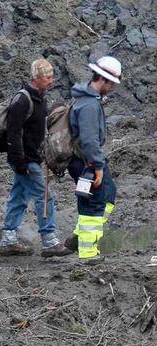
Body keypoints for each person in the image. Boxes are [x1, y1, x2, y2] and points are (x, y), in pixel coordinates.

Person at [0, 58, 72, 258]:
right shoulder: (22, 100)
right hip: (25, 159)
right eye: (47, 77)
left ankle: (9, 239)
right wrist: (20, 162)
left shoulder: (39, 97)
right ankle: (49, 241)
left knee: (19, 196)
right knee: (45, 196)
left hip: (32, 158)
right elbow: (13, 134)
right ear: (36, 78)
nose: (51, 80)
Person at [66, 56, 122, 265]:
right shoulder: (89, 105)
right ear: (104, 80)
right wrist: (97, 166)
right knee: (94, 202)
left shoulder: (86, 98)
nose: (113, 88)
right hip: (85, 161)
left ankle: (79, 237)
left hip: (85, 159)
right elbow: (89, 140)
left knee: (108, 193)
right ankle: (88, 254)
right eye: (113, 84)